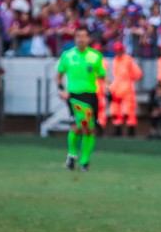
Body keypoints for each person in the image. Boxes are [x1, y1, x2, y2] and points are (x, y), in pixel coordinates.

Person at [56, 27, 106, 172]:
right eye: (78, 36)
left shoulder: (96, 56)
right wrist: (61, 90)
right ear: (74, 38)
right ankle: (74, 156)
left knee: (89, 129)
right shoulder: (67, 55)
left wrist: (107, 84)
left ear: (88, 38)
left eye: (83, 36)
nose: (81, 39)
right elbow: (59, 75)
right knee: (78, 126)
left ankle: (83, 160)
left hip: (90, 96)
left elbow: (102, 74)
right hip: (74, 96)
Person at [109, 41, 143, 137]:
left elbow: (138, 74)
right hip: (117, 89)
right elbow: (116, 76)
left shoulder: (128, 60)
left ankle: (131, 130)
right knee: (116, 110)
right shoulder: (115, 60)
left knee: (129, 111)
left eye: (119, 50)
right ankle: (117, 130)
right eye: (116, 51)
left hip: (127, 89)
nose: (118, 52)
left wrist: (128, 79)